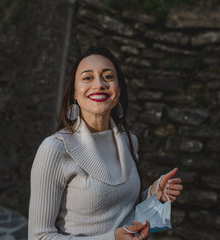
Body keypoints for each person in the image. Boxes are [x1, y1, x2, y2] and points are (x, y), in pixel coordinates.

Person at [28, 46, 183, 240]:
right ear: (74, 93)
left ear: (118, 89)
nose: (99, 84)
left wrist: (153, 194)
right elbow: (39, 237)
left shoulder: (129, 140)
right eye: (87, 78)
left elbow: (123, 212)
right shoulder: (55, 149)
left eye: (108, 77)